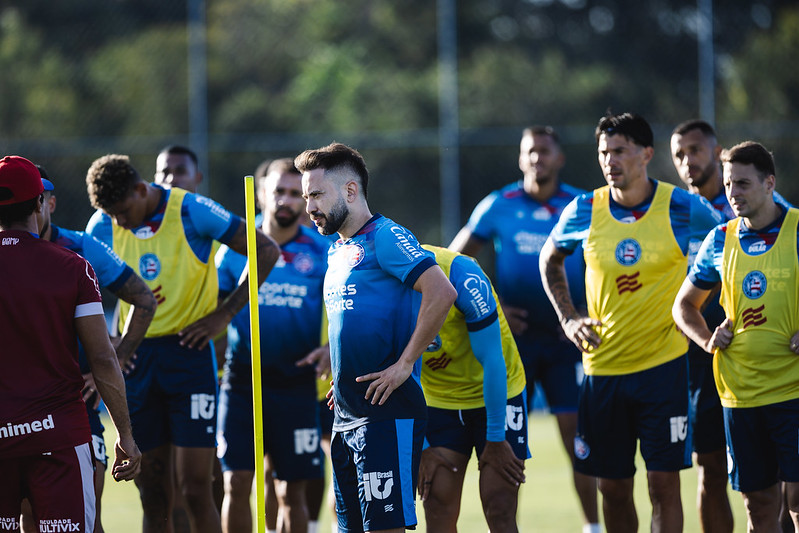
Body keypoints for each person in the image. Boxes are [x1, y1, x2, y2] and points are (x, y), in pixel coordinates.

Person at [539, 112, 723, 532]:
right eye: (604, 152)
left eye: (619, 151)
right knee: (613, 489)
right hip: (603, 371)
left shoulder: (682, 206)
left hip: (665, 369)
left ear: (645, 154)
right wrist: (569, 319)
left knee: (663, 485)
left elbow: (728, 251)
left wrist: (697, 310)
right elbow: (549, 257)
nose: (610, 160)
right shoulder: (584, 208)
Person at [85, 154, 280, 533]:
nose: (120, 222)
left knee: (196, 488)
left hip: (189, 357)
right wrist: (109, 340)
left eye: (124, 211)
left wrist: (224, 314)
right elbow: (84, 288)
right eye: (113, 216)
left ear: (141, 190)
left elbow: (266, 250)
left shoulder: (192, 210)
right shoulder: (101, 225)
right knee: (153, 491)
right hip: (136, 360)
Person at [296, 142, 457, 533]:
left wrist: (404, 365)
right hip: (346, 414)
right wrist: (341, 373)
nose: (309, 207)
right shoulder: (337, 251)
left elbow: (442, 292)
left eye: (316, 194)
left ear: (350, 191)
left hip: (386, 414)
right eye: (306, 197)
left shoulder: (386, 236)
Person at [449, 125, 599, 531]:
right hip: (512, 347)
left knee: (577, 441)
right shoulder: (499, 204)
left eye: (545, 151)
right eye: (530, 151)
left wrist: (585, 309)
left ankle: (593, 526)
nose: (537, 158)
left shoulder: (581, 205)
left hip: (566, 342)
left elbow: (605, 263)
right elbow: (454, 261)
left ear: (559, 158)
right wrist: (493, 307)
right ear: (520, 158)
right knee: (509, 445)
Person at [0, 155, 141, 533]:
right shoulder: (71, 266)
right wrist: (125, 435)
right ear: (39, 203)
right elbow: (102, 358)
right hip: (57, 436)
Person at [672, 140, 799, 532]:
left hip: (793, 391)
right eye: (729, 184)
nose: (733, 193)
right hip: (740, 395)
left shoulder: (797, 230)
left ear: (769, 183)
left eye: (743, 184)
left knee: (797, 502)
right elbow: (683, 306)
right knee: (758, 506)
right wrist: (708, 339)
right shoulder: (719, 240)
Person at [216, 158, 329, 533]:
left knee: (289, 492)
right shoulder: (234, 249)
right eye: (278, 191)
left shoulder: (321, 251)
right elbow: (212, 315)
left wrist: (332, 348)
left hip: (296, 385)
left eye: (296, 193)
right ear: (261, 193)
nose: (286, 200)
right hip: (242, 381)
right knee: (235, 484)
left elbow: (344, 309)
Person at [416, 244, 528, 532]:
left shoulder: (462, 274)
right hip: (438, 400)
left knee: (499, 504)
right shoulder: (379, 285)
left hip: (496, 391)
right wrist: (423, 446)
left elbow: (492, 360)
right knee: (437, 504)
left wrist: (495, 436)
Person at [153, 144, 225, 530]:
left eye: (180, 171)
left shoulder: (204, 221)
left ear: (197, 179)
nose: (170, 179)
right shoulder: (135, 226)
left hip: (200, 365)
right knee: (161, 486)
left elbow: (255, 255)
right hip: (149, 364)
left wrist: (222, 319)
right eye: (164, 172)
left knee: (203, 481)